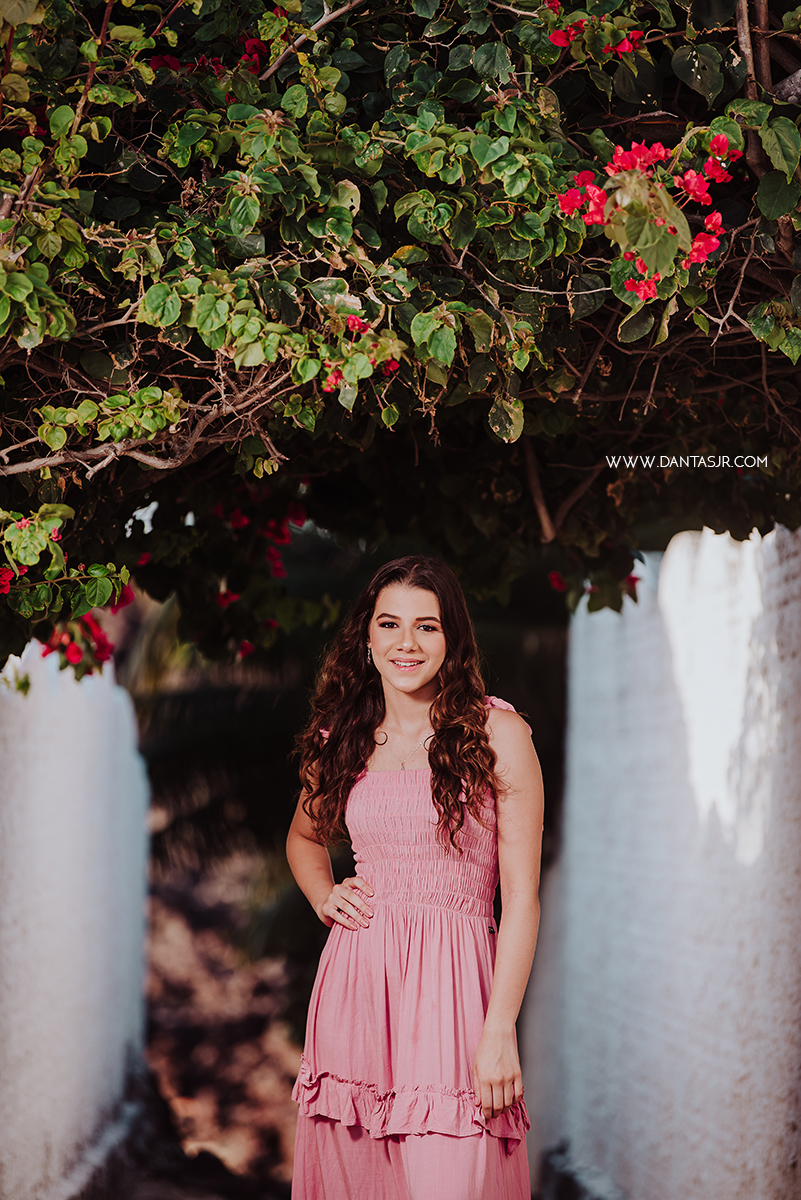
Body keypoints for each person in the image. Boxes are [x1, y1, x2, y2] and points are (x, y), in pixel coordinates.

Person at [286, 555, 544, 1199]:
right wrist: (325, 894)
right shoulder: (339, 736)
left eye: (427, 627)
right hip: (356, 991)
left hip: (457, 997)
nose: (407, 643)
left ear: (452, 639)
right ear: (366, 638)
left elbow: (521, 900)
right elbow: (303, 838)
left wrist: (499, 1028)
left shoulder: (498, 733)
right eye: (390, 624)